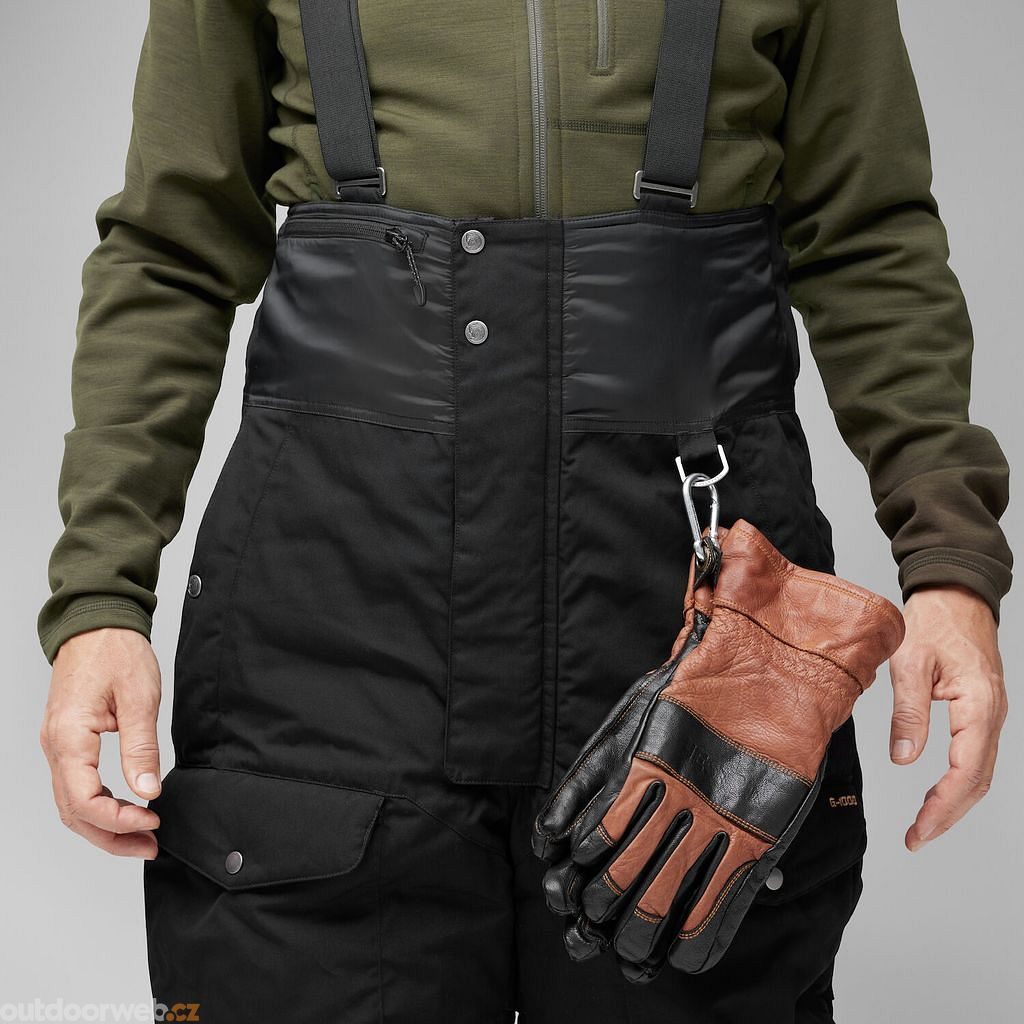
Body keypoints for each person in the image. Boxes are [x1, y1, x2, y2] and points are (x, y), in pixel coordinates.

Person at [37, 1, 1011, 1020]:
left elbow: (871, 243)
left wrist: (948, 560)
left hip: (692, 625)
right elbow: (169, 250)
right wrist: (101, 594)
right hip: (331, 624)